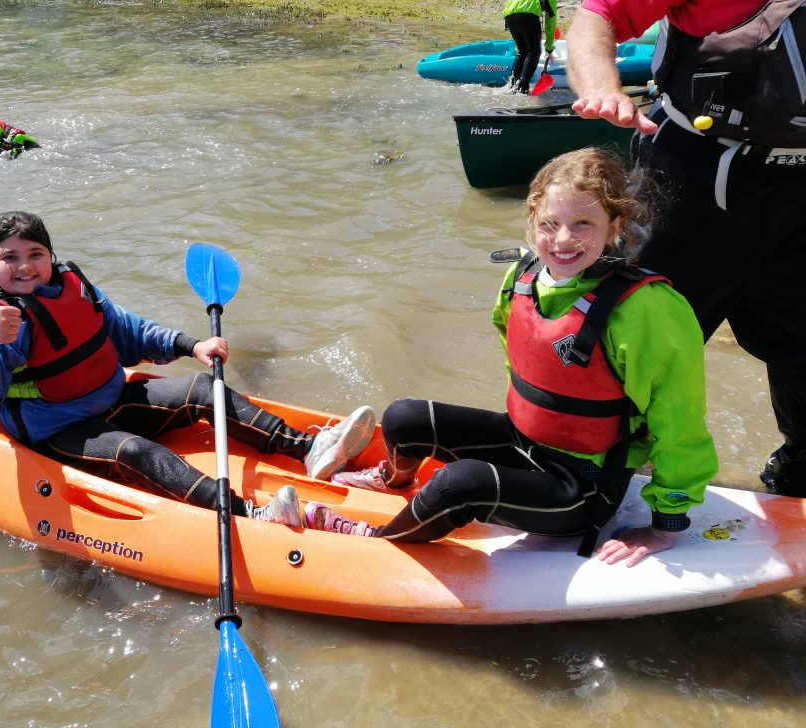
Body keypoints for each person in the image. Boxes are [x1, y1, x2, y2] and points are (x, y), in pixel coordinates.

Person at [303, 149, 718, 568]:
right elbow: (524, 362)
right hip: (525, 445)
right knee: (404, 418)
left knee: (458, 484)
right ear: (532, 217)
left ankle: (376, 539)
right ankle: (392, 482)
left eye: (583, 224)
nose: (561, 240)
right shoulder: (521, 278)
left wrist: (665, 524)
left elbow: (679, 419)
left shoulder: (648, 309)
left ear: (616, 226)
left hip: (582, 487)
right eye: (549, 224)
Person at [0, 211, 376, 526]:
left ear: (51, 257)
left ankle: (306, 448)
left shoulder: (75, 285)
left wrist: (192, 344)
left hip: (112, 398)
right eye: (9, 258)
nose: (25, 266)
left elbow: (129, 332)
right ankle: (252, 514)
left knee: (204, 387)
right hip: (57, 430)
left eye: (35, 253)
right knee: (135, 451)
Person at [567, 1, 806, 498]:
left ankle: (798, 481)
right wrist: (601, 88)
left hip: (797, 196)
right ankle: (579, 482)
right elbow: (599, 15)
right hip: (689, 183)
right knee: (633, 344)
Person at [502, 0, 557, 94]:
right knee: (534, 52)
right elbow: (551, 21)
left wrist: (519, 48)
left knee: (522, 52)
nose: (543, 11)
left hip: (509, 15)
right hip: (527, 15)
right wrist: (549, 48)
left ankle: (511, 86)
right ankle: (522, 90)